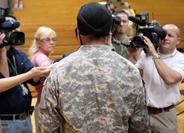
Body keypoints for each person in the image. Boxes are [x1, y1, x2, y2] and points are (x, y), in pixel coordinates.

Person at [38, 2, 148, 132]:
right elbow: (140, 126)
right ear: (109, 32)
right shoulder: (131, 71)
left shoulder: (58, 71)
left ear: (77, 33)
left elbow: (48, 126)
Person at [0, 16, 43, 133]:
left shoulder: (17, 53)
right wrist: (1, 52)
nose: (13, 34)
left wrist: (45, 70)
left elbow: (34, 78)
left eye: (14, 31)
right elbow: (1, 85)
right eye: (8, 32)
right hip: (5, 121)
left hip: (25, 119)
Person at [135, 24, 184, 132]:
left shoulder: (181, 59)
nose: (165, 38)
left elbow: (170, 79)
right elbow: (134, 77)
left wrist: (153, 54)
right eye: (162, 34)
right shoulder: (145, 55)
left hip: (165, 116)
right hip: (143, 113)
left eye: (170, 35)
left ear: (178, 40)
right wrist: (130, 56)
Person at [29, 26, 56, 133]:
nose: (52, 42)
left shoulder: (37, 55)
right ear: (38, 42)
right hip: (44, 109)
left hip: (43, 106)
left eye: (53, 39)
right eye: (47, 39)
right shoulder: (40, 56)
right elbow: (46, 67)